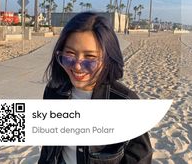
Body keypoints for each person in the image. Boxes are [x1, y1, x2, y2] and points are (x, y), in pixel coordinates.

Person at [38, 12, 153, 164]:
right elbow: (49, 148)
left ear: (108, 59)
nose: (77, 66)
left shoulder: (126, 103)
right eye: (70, 55)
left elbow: (141, 157)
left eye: (90, 58)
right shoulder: (54, 90)